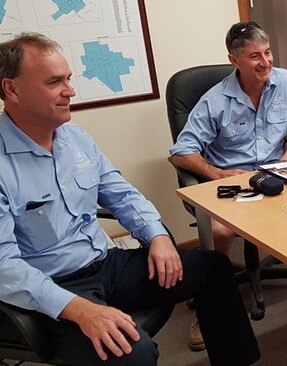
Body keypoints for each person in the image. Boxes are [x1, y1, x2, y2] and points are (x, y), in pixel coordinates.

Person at [0, 33, 260, 365]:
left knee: (213, 268)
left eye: (68, 79)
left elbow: (122, 194)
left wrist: (159, 236)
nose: (70, 90)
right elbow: (4, 266)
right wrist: (79, 309)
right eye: (55, 82)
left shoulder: (74, 137)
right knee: (134, 353)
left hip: (105, 263)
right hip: (51, 288)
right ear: (12, 89)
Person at [170, 21, 287, 351]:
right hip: (234, 182)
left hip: (281, 174)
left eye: (268, 52)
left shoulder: (286, 81)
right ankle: (212, 309)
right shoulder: (215, 101)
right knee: (222, 232)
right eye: (255, 56)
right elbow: (181, 153)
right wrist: (216, 174)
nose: (265, 62)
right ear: (234, 60)